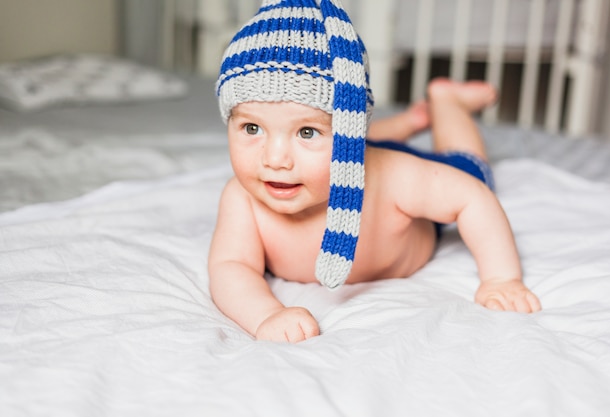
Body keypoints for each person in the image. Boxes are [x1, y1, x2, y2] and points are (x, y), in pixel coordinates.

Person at [209, 0, 541, 343]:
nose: (275, 159)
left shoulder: (395, 179)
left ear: (351, 129)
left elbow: (472, 197)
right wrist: (267, 314)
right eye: (252, 129)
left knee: (471, 169)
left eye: (307, 132)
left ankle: (448, 102)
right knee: (347, 148)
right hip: (359, 151)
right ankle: (409, 122)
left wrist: (502, 279)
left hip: (378, 163)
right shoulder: (243, 198)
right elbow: (231, 268)